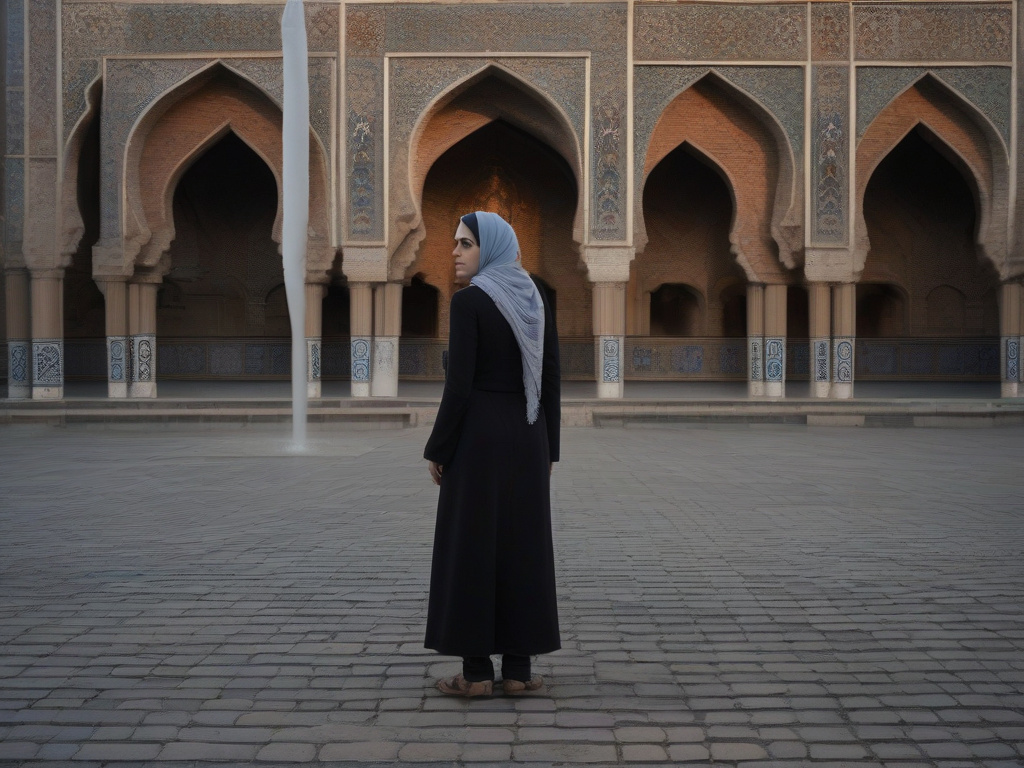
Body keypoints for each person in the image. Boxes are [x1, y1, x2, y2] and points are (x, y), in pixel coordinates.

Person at [423, 211, 561, 697]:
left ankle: (477, 673)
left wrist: (438, 448)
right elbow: (549, 381)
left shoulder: (470, 304)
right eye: (456, 244)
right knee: (523, 546)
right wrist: (550, 448)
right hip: (528, 436)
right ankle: (520, 672)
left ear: (490, 248)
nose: (455, 253)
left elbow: (458, 387)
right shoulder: (535, 298)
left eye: (465, 244)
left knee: (473, 546)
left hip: (478, 440)